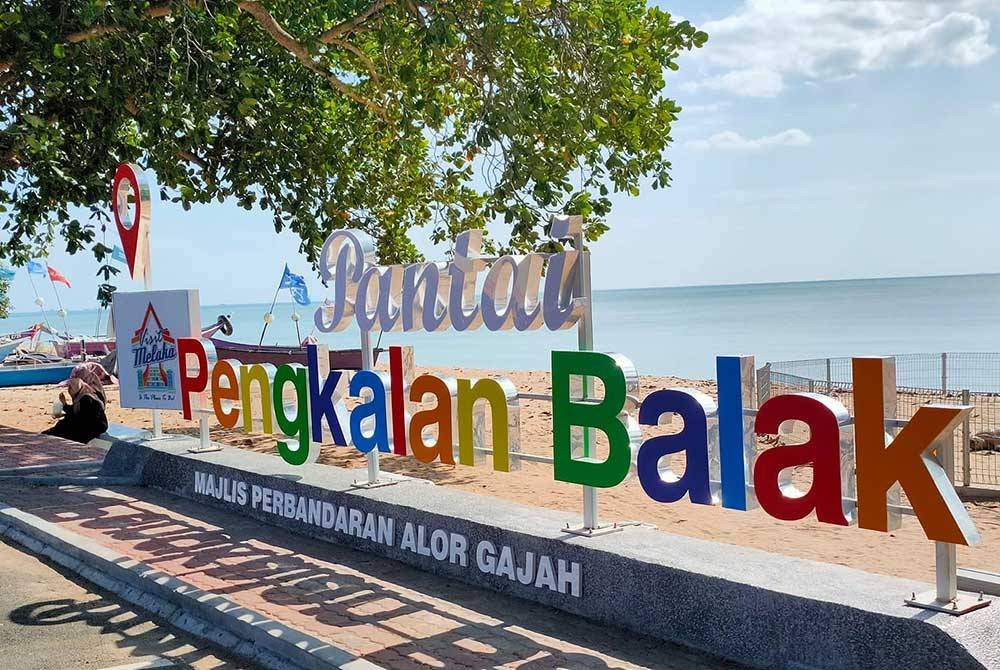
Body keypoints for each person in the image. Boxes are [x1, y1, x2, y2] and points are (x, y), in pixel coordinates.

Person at [42, 376, 109, 444]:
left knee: (64, 426)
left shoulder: (86, 399)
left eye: (71, 387)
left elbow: (82, 418)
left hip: (94, 427)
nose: (69, 390)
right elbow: (79, 413)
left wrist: (66, 411)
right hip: (89, 423)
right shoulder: (82, 396)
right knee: (63, 424)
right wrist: (64, 406)